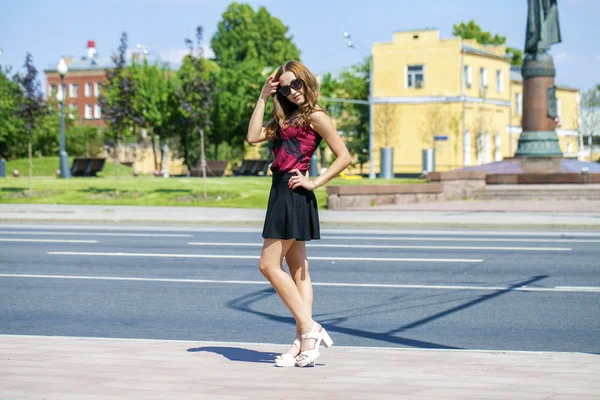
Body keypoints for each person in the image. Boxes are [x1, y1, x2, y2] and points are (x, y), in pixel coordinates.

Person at [247, 60, 351, 367]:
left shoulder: (316, 116)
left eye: (297, 84)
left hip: (294, 192)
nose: (294, 91)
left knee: (267, 265)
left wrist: (315, 182)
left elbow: (344, 156)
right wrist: (264, 97)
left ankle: (310, 327)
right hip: (280, 190)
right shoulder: (286, 117)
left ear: (306, 81)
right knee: (298, 270)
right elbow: (253, 136)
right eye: (287, 87)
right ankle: (303, 344)